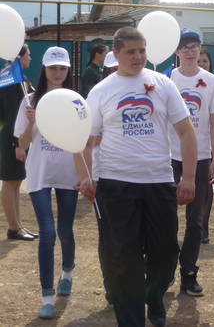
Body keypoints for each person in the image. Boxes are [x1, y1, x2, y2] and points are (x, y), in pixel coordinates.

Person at [76, 26, 197, 327]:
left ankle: (153, 295)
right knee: (124, 258)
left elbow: (186, 131)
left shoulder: (163, 84)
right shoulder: (101, 91)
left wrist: (189, 177)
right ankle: (131, 319)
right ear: (116, 54)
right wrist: (86, 176)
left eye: (142, 51)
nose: (138, 57)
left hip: (159, 182)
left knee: (166, 254)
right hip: (116, 186)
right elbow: (85, 141)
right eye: (131, 52)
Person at [14, 47, 78, 319]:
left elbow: (83, 140)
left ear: (68, 70)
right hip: (39, 174)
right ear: (45, 69)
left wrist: (85, 175)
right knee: (48, 233)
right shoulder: (30, 100)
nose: (58, 72)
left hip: (68, 175)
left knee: (65, 230)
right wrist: (31, 123)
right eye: (53, 68)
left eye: (62, 68)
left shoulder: (75, 100)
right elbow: (22, 144)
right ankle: (47, 296)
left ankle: (68, 272)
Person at [169, 29, 214, 296]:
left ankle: (189, 273)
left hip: (201, 157)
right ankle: (165, 269)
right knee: (167, 219)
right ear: (177, 51)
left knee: (195, 221)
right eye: (185, 46)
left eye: (194, 46)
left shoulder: (212, 81)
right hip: (170, 157)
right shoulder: (167, 80)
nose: (190, 51)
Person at [1, 43, 36, 241]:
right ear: (19, 58)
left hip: (16, 136)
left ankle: (18, 225)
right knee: (10, 181)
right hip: (11, 137)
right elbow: (13, 115)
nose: (30, 58)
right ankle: (13, 228)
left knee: (16, 180)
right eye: (27, 55)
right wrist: (17, 144)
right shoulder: (10, 79)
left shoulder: (18, 78)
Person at [197, 48, 214, 244]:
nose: (202, 64)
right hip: (180, 146)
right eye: (199, 61)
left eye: (205, 61)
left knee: (206, 187)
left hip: (208, 144)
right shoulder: (178, 81)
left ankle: (203, 226)